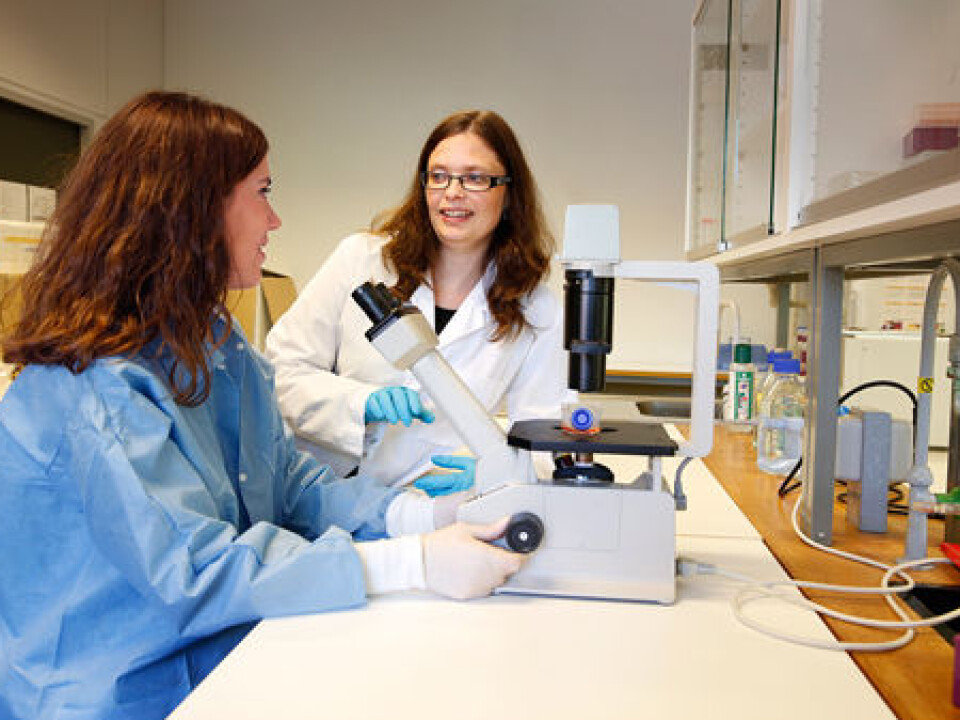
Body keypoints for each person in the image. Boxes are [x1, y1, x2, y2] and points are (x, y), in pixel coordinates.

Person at [0, 91, 523, 720]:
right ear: (190, 210)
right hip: (114, 689)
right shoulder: (94, 384)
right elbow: (191, 571)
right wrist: (407, 564)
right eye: (263, 192)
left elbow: (288, 486)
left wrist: (426, 519)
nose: (275, 223)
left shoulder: (215, 343)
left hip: (220, 652)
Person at [265, 110, 565, 495]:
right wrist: (360, 403)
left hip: (425, 502)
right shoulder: (362, 259)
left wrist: (502, 469)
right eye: (438, 176)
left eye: (474, 178)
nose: (452, 193)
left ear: (508, 194)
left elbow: (543, 434)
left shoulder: (534, 308)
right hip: (311, 489)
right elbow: (280, 371)